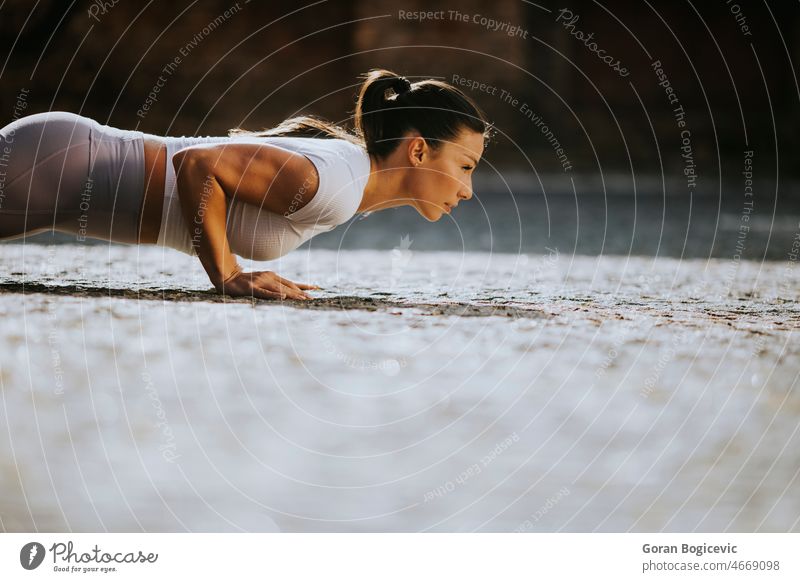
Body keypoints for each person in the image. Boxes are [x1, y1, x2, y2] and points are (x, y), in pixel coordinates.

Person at [0, 69, 491, 300]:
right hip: (54, 168)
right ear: (420, 150)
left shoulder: (344, 178)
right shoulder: (337, 185)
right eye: (466, 166)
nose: (468, 190)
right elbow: (198, 165)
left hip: (57, 175)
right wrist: (229, 274)